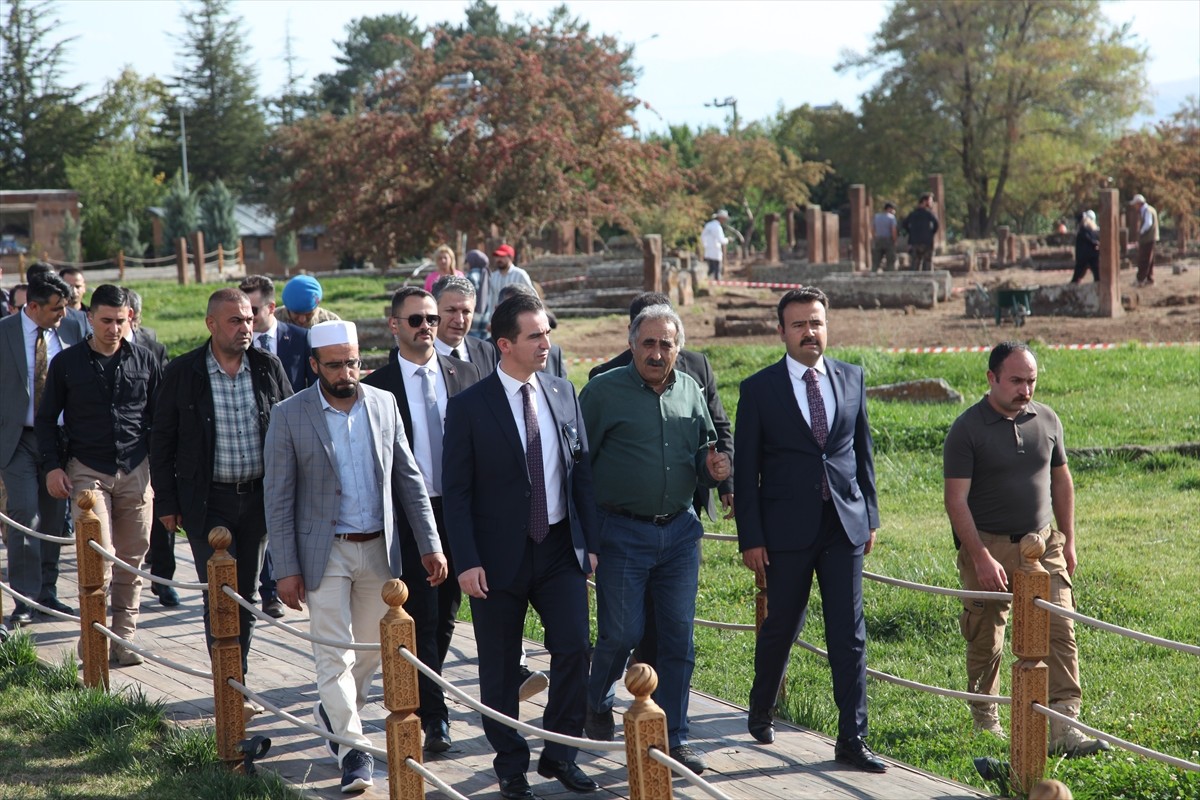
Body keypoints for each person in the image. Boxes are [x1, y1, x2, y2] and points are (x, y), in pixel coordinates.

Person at [266, 320, 446, 794]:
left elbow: (409, 477)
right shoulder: (289, 415)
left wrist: (430, 543)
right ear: (314, 365)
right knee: (332, 654)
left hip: (378, 550)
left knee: (368, 653)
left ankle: (333, 713)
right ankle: (354, 751)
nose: (345, 372)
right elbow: (278, 498)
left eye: (352, 363)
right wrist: (285, 568)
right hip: (323, 553)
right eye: (334, 365)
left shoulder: (384, 404)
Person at [443, 293, 599, 800]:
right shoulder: (469, 407)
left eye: (547, 333)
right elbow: (457, 492)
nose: (545, 343)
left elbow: (581, 474)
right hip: (494, 560)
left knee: (574, 648)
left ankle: (561, 754)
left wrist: (590, 543)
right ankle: (510, 766)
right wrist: (467, 561)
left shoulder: (563, 391)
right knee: (499, 665)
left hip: (559, 550)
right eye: (535, 336)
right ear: (505, 344)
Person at [735, 286, 888, 774]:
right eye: (799, 324)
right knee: (784, 621)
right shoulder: (759, 389)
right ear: (781, 331)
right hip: (785, 529)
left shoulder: (851, 377)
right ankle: (762, 704)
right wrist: (751, 537)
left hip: (843, 524)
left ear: (827, 326)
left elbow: (862, 452)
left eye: (816, 323)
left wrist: (870, 516)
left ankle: (852, 738)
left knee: (849, 633)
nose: (809, 332)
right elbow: (746, 473)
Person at [580, 303, 730, 776]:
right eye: (648, 342)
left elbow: (702, 452)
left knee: (678, 640)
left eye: (666, 344)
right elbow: (578, 465)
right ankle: (595, 699)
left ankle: (674, 738)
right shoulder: (602, 392)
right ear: (631, 345)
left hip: (680, 533)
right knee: (622, 633)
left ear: (678, 349)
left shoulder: (690, 390)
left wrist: (712, 469)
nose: (657, 352)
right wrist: (586, 534)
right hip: (622, 531)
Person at [943, 342, 1109, 757]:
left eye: (1031, 380)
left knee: (1060, 628)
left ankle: (1064, 726)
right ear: (992, 378)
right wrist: (980, 556)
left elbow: (1062, 481)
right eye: (1016, 380)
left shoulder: (1047, 419)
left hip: (1043, 544)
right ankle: (986, 719)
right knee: (986, 636)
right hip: (988, 546)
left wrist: (1068, 539)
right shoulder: (966, 429)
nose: (1025, 389)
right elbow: (955, 500)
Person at [151, 289, 294, 685]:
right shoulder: (184, 372)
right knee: (218, 594)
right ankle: (226, 683)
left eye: (249, 319)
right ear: (211, 324)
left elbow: (292, 430)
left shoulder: (267, 367)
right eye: (235, 321)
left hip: (258, 500)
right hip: (206, 500)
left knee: (246, 594)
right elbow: (161, 441)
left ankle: (236, 679)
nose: (246, 327)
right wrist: (166, 501)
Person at [362, 287, 482, 753]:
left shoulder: (465, 373)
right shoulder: (378, 386)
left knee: (448, 610)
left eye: (431, 318)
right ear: (394, 325)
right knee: (423, 614)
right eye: (416, 319)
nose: (427, 326)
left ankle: (422, 688)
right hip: (411, 512)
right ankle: (434, 717)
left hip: (461, 509)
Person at [36, 284, 161, 666]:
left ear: (130, 318)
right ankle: (94, 637)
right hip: (87, 469)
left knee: (131, 560)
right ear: (89, 318)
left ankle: (124, 639)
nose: (113, 328)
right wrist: (52, 467)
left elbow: (160, 418)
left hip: (136, 468)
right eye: (106, 320)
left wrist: (163, 473)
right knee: (99, 556)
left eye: (120, 321)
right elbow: (46, 419)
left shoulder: (146, 359)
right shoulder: (67, 363)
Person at [0, 273, 81, 627]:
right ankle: (24, 598)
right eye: (56, 309)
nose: (63, 314)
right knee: (24, 514)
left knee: (52, 518)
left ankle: (47, 592)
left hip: (58, 441)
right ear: (33, 306)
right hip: (16, 439)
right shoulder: (4, 332)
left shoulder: (71, 329)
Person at [126, 290, 178, 608]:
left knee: (161, 511)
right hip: (111, 448)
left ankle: (163, 578)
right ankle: (119, 579)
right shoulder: (88, 350)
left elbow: (165, 395)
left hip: (152, 442)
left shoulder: (153, 347)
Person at [240, 274, 313, 394]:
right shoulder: (236, 341)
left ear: (271, 307)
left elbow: (314, 386)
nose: (247, 317)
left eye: (253, 310)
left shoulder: (301, 338)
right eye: (243, 311)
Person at [431, 274, 497, 374]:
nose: (459, 320)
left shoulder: (486, 351)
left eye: (466, 312)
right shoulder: (416, 354)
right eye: (451, 310)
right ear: (433, 310)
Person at [275, 274, 341, 329]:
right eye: (296, 313)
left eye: (308, 314)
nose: (302, 320)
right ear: (287, 308)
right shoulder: (273, 320)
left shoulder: (332, 323)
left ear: (317, 306)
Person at [485, 244, 533, 318]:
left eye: (502, 256)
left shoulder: (520, 274)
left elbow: (532, 294)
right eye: (497, 256)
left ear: (511, 257)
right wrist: (490, 318)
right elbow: (491, 299)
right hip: (500, 316)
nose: (499, 259)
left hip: (517, 316)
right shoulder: (493, 276)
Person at [903, 193, 940, 271]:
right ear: (924, 201)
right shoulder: (930, 214)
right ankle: (928, 279)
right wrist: (931, 233)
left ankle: (916, 279)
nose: (932, 203)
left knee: (915, 266)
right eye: (930, 201)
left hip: (914, 242)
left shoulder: (912, 214)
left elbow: (904, 224)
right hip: (927, 242)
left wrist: (911, 233)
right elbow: (936, 225)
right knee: (928, 265)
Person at [1129, 194, 1159, 287]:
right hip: (1151, 238)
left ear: (1139, 203)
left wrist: (1141, 232)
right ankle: (1149, 279)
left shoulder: (1147, 210)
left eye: (1135, 204)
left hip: (1147, 238)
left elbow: (1148, 223)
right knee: (1150, 259)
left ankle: (1140, 279)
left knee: (1144, 259)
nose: (1135, 206)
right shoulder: (1150, 209)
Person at [463, 249, 491, 338]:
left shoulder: (471, 276)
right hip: (485, 315)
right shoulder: (487, 274)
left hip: (474, 315)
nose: (466, 264)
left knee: (472, 340)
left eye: (467, 261)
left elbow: (466, 296)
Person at [1070, 211, 1100, 284]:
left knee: (1079, 274)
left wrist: (1095, 243)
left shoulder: (1083, 229)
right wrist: (1096, 243)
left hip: (1085, 255)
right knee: (1096, 273)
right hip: (1091, 254)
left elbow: (1088, 238)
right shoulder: (1091, 228)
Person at [701, 209, 730, 281]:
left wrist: (705, 245)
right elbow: (721, 240)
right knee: (716, 269)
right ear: (721, 218)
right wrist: (728, 240)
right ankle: (716, 281)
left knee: (710, 268)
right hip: (715, 251)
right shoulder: (717, 227)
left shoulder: (708, 225)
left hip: (708, 250)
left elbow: (702, 237)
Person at [871, 203, 899, 272]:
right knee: (890, 260)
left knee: (876, 260)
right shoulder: (891, 217)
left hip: (878, 239)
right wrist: (895, 240)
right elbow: (893, 230)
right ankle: (890, 274)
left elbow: (872, 229)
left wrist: (874, 237)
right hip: (888, 240)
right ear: (889, 209)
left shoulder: (876, 216)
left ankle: (873, 273)